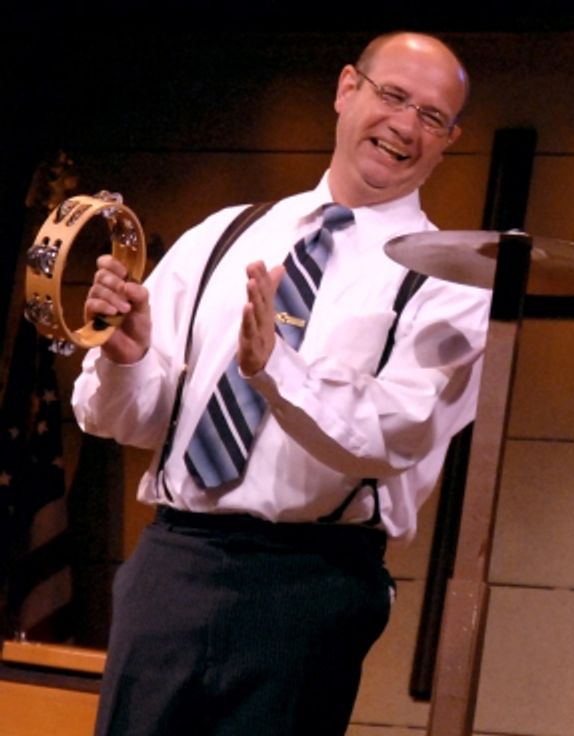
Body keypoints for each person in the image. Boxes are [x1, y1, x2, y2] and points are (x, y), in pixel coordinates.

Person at [72, 32, 490, 736]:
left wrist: (275, 371)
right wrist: (127, 359)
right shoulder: (224, 235)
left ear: (450, 139)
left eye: (431, 116)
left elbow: (394, 436)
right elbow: (125, 419)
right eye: (392, 96)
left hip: (308, 585)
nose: (404, 127)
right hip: (173, 563)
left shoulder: (450, 282)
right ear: (346, 90)